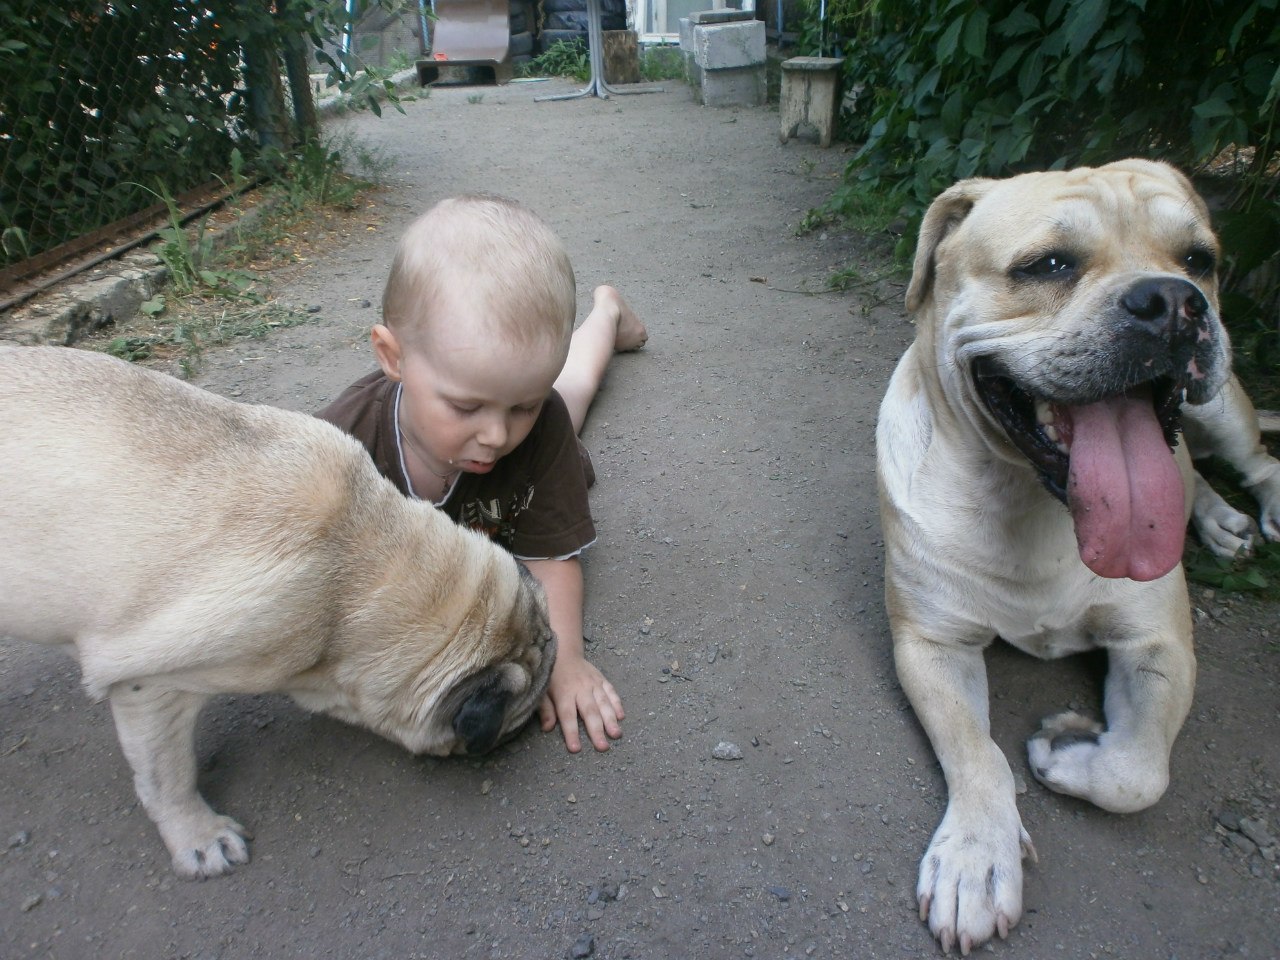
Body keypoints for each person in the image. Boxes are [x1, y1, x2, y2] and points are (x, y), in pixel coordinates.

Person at [317, 194, 647, 753]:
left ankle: (607, 314)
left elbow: (550, 558)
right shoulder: (339, 448)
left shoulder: (539, 429)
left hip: (549, 433)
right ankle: (599, 322)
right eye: (466, 408)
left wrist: (564, 657)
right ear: (393, 357)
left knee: (573, 391)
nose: (497, 436)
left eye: (521, 406)